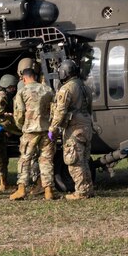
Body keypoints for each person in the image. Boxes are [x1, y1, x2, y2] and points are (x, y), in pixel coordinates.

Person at [50, 59, 95, 200]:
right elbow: (89, 109)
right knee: (84, 161)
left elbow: (60, 112)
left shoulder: (66, 89)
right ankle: (88, 189)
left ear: (64, 72)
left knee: (74, 161)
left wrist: (53, 128)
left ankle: (81, 192)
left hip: (74, 128)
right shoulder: (84, 87)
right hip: (86, 126)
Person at [11, 68, 56, 201]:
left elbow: (19, 114)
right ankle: (48, 190)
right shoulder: (48, 90)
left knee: (25, 159)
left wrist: (21, 126)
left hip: (30, 131)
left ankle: (21, 189)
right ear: (34, 76)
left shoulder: (22, 92)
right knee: (46, 160)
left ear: (24, 78)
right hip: (46, 130)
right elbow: (54, 110)